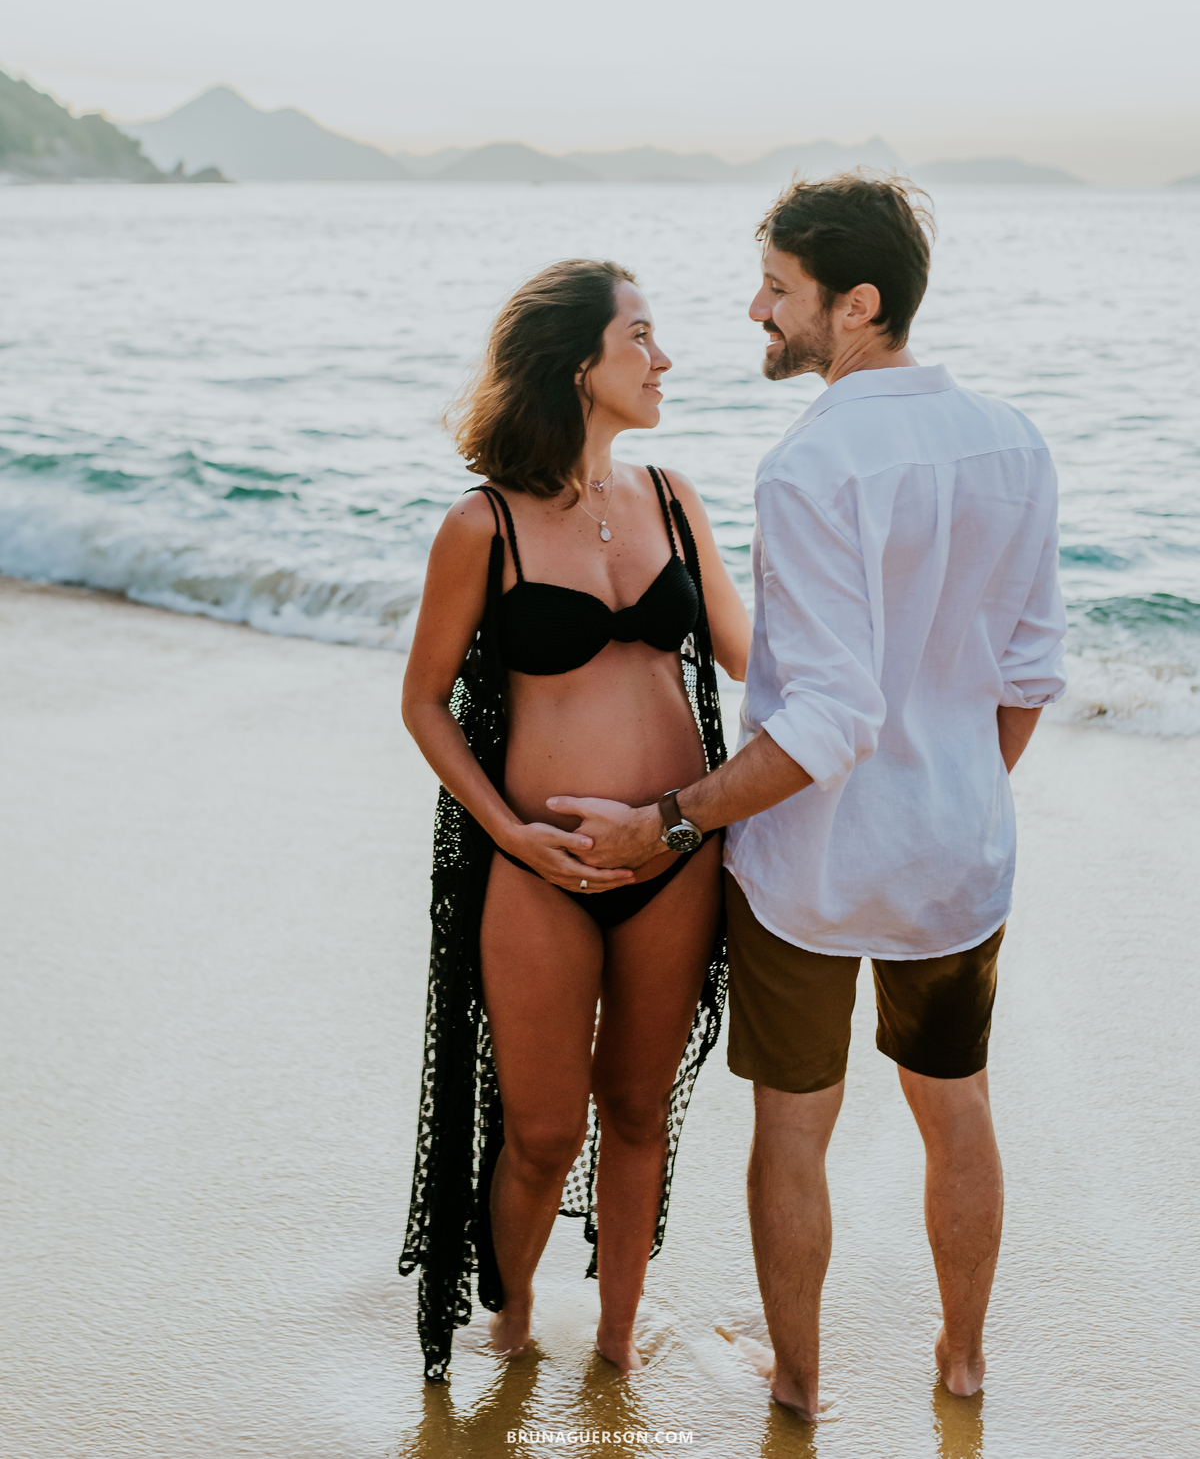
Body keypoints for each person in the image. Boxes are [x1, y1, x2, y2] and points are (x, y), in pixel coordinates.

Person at [552, 175, 1068, 1419]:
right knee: (959, 1111)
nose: (755, 311)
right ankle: (962, 1363)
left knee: (795, 1127)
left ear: (857, 305)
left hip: (808, 872)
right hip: (956, 861)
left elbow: (826, 722)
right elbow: (1030, 670)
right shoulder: (1015, 438)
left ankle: (799, 1387)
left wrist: (668, 819)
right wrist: (951, 795)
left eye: (778, 291)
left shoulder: (807, 467)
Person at [398, 259, 751, 1381]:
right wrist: (508, 830)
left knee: (640, 1111)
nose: (662, 358)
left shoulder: (674, 499)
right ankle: (510, 1332)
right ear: (578, 366)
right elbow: (423, 699)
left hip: (680, 856)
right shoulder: (482, 525)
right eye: (640, 336)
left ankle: (613, 1350)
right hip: (539, 867)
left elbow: (756, 659)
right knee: (544, 1131)